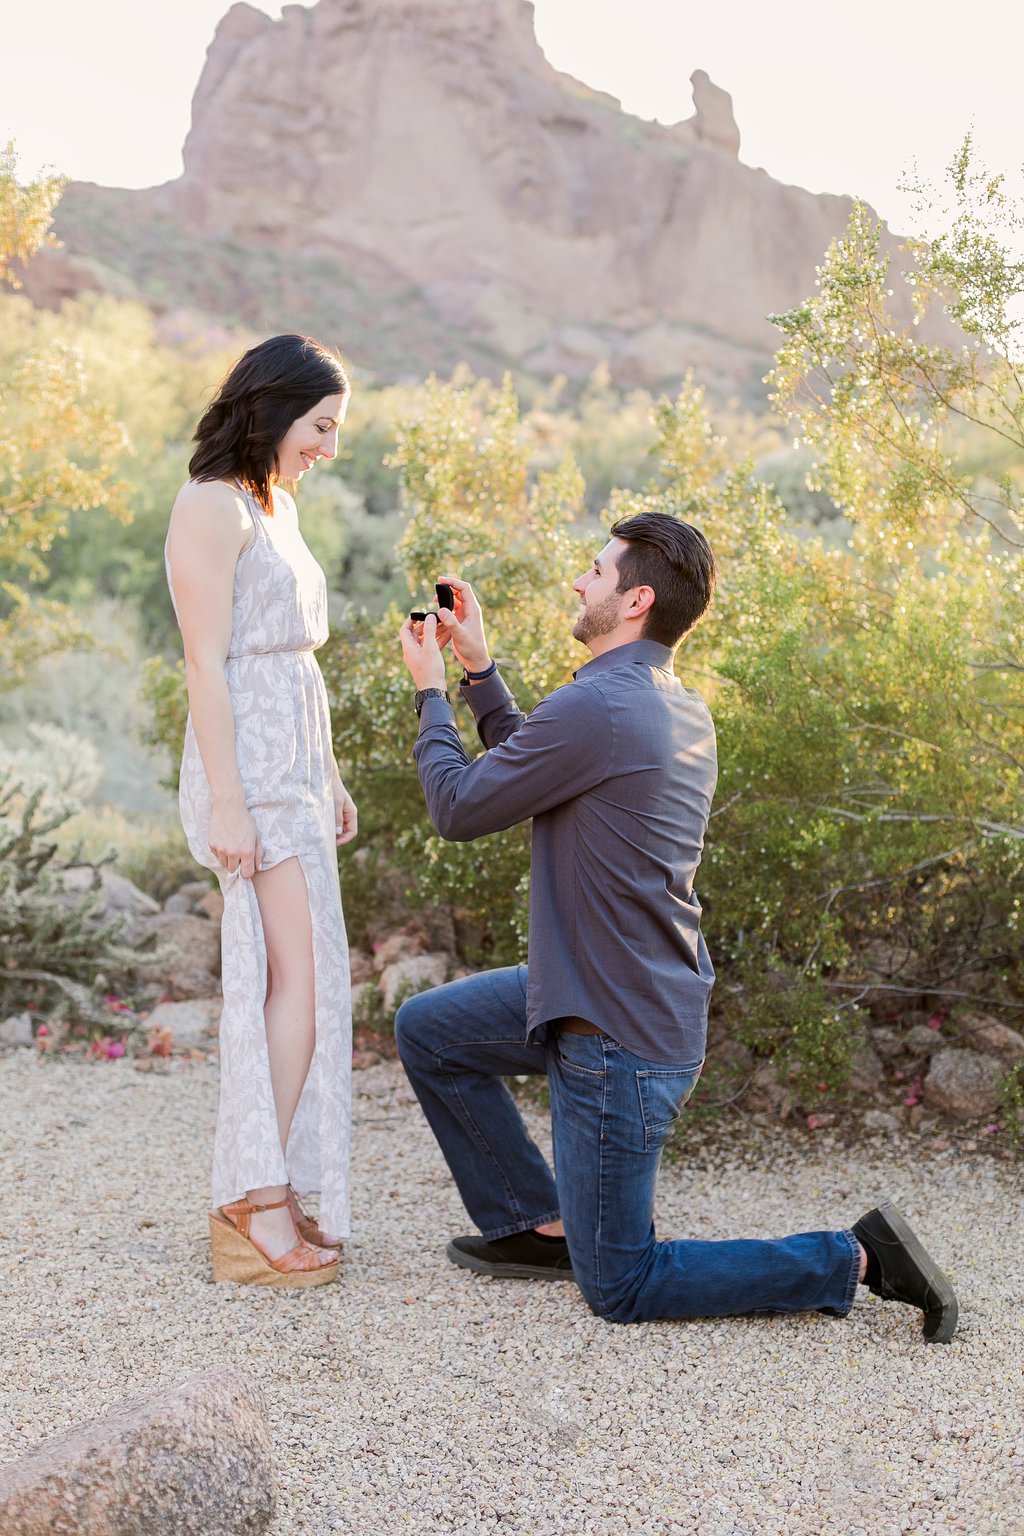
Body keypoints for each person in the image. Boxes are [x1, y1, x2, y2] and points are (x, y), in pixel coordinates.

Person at [394, 510, 958, 1342]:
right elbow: (532, 767)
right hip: (607, 993)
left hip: (613, 1038)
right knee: (430, 1031)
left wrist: (430, 693)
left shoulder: (602, 708)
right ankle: (536, 1226)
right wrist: (479, 668)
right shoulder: (659, 702)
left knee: (622, 1282)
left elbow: (460, 805)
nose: (578, 582)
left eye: (594, 571)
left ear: (636, 600)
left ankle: (857, 1258)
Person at [165, 333, 356, 1287]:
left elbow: (291, 658)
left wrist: (333, 776)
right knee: (298, 988)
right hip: (249, 774)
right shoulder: (210, 506)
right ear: (275, 408)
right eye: (320, 425)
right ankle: (256, 1203)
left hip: (296, 771)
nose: (328, 445)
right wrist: (230, 803)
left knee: (311, 987)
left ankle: (267, 1186)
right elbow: (208, 662)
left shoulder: (271, 504)